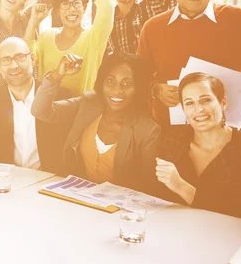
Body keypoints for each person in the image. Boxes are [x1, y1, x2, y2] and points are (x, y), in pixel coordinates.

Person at [155, 72, 241, 222]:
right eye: (189, 103)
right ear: (183, 110)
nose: (198, 109)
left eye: (205, 100)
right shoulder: (171, 142)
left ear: (223, 103)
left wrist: (182, 187)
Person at [32, 52, 160, 191]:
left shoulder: (147, 130)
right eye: (110, 81)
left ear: (138, 88)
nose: (117, 90)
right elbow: (40, 111)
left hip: (120, 209)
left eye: (127, 83)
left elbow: (149, 188)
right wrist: (56, 75)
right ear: (102, 81)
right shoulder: (88, 104)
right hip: (78, 200)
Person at [27, 0, 114, 96]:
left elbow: (107, 6)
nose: (71, 9)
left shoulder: (93, 37)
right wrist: (33, 21)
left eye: (76, 3)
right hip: (46, 112)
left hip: (80, 113)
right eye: (65, 4)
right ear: (57, 10)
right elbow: (26, 60)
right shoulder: (46, 36)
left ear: (85, 7)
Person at [0, 37, 66, 173]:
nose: (14, 66)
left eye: (20, 57)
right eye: (6, 60)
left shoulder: (60, 96)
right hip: (7, 183)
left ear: (33, 59)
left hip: (49, 182)